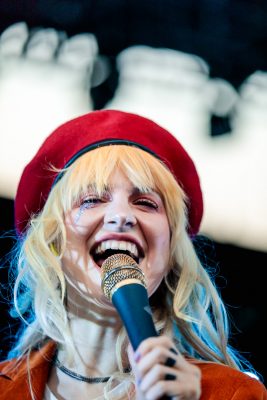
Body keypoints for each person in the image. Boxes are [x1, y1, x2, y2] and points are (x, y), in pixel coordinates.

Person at [0, 110, 266, 400]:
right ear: (52, 241)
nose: (121, 215)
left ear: (171, 253)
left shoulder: (230, 394)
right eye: (92, 199)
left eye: (146, 203)